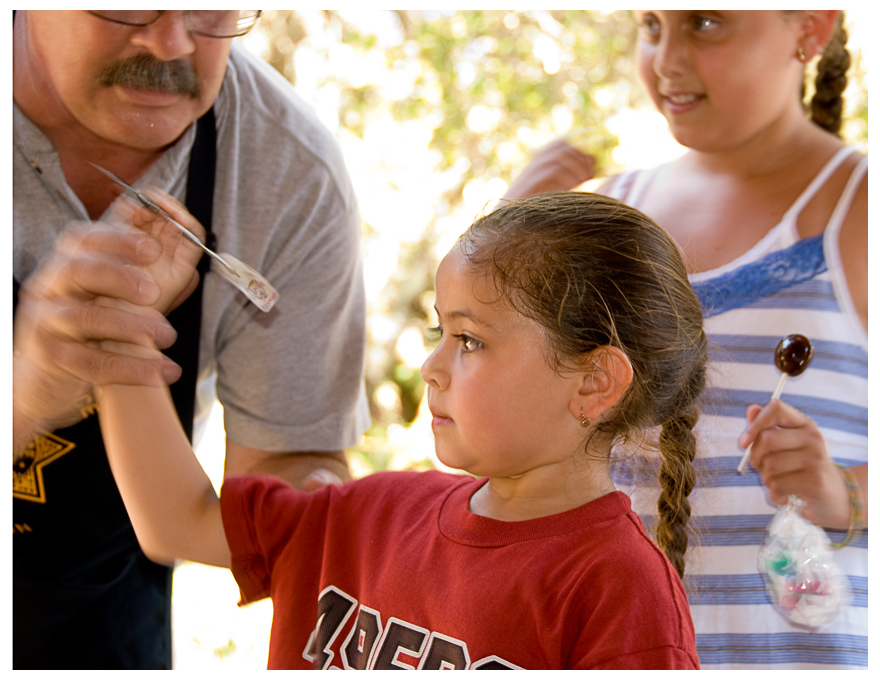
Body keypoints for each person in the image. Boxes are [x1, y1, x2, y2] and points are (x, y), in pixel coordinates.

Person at [95, 191, 707, 670]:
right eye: (441, 332)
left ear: (595, 381)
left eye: (470, 340)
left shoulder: (618, 590)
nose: (431, 368)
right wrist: (118, 319)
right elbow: (175, 520)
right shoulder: (369, 517)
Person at [503, 10, 867, 670]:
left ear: (810, 30)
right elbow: (496, 431)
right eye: (651, 24)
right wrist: (500, 259)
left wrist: (841, 493)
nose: (666, 59)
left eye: (704, 23)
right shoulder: (609, 209)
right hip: (602, 647)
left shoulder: (855, 209)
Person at [12, 10, 370, 669]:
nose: (173, 43)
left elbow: (278, 499)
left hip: (98, 618)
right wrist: (24, 396)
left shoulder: (290, 172)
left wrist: (334, 516)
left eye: (211, 9)